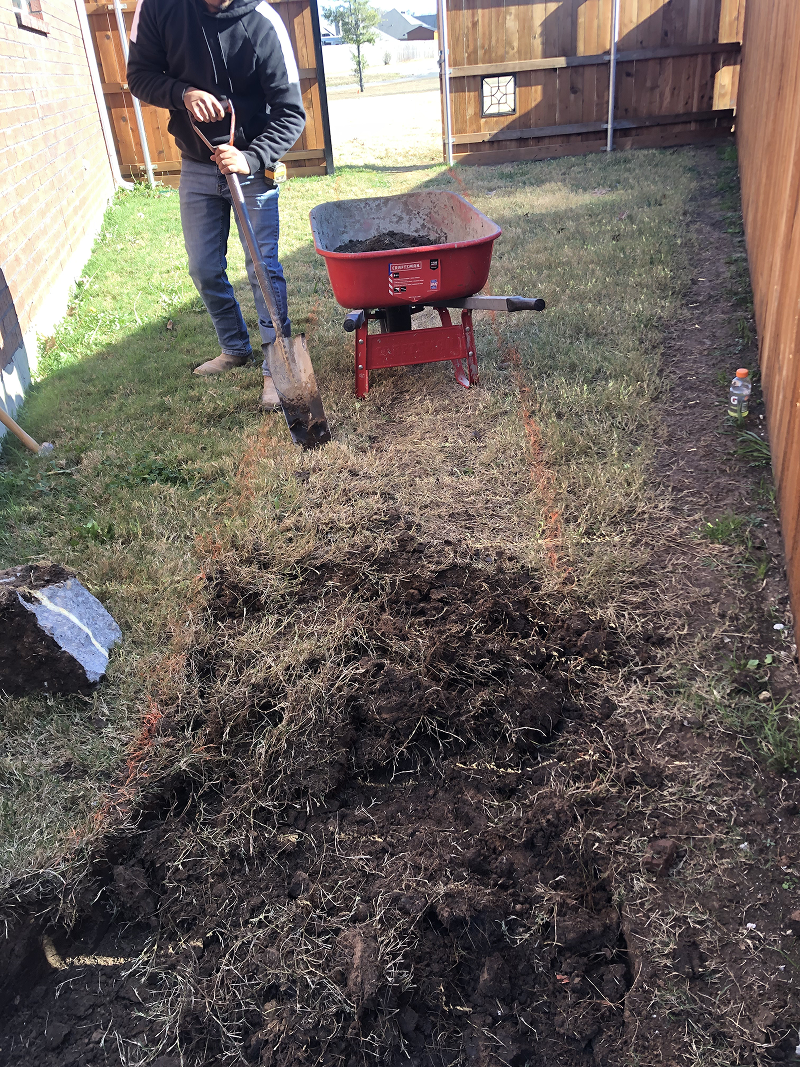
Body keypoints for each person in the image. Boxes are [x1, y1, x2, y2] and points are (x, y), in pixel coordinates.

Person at [127, 0, 306, 410]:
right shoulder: (158, 9)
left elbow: (291, 112)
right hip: (196, 164)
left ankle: (275, 369)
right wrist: (181, 93)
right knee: (204, 268)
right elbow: (138, 75)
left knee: (262, 268)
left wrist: (251, 157)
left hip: (251, 168)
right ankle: (234, 347)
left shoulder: (263, 22)